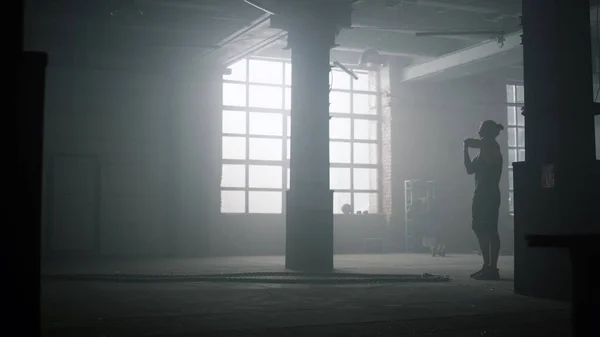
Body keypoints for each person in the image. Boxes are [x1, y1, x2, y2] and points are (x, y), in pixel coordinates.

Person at [464, 120, 504, 280]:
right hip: (481, 194)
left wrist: (468, 143)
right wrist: (464, 149)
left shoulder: (492, 147)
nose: (479, 132)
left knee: (490, 230)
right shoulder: (482, 153)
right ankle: (487, 265)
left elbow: (478, 143)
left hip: (489, 194)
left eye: (481, 130)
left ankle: (492, 267)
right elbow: (469, 169)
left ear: (486, 132)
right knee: (479, 228)